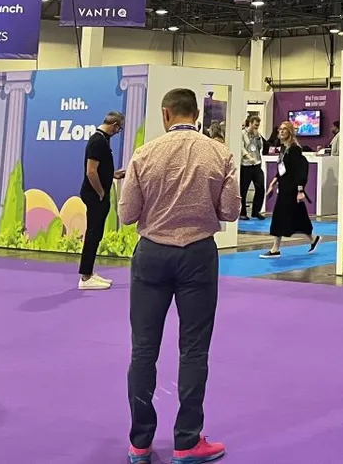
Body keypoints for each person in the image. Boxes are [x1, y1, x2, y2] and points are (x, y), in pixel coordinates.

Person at [119, 88, 239, 464]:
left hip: (152, 254)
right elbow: (231, 210)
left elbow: (126, 214)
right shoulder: (220, 153)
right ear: (196, 114)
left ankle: (140, 443)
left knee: (143, 350)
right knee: (194, 350)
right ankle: (187, 442)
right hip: (199, 255)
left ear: (166, 113)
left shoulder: (144, 154)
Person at [78, 111, 125, 291]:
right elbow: (91, 171)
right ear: (114, 125)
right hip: (95, 195)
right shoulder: (98, 141)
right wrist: (100, 192)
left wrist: (112, 174)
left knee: (95, 235)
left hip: (97, 194)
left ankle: (89, 272)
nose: (117, 132)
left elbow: (99, 168)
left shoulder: (102, 140)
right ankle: (85, 276)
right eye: (119, 129)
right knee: (93, 234)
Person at [261, 121, 320, 258]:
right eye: (280, 129)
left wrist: (300, 191)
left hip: (291, 189)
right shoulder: (283, 148)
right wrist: (273, 183)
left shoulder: (294, 149)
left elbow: (299, 171)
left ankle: (275, 249)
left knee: (279, 217)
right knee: (298, 216)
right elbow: (282, 170)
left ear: (290, 132)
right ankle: (313, 238)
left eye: (284, 129)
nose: (281, 131)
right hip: (284, 187)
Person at [240, 116, 266, 220]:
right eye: (255, 125)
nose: (256, 127)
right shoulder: (242, 134)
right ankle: (242, 213)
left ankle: (256, 211)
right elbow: (241, 147)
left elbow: (260, 147)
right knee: (243, 190)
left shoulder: (257, 134)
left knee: (260, 187)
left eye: (258, 125)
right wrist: (247, 156)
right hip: (246, 165)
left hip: (256, 164)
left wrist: (258, 137)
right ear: (250, 123)